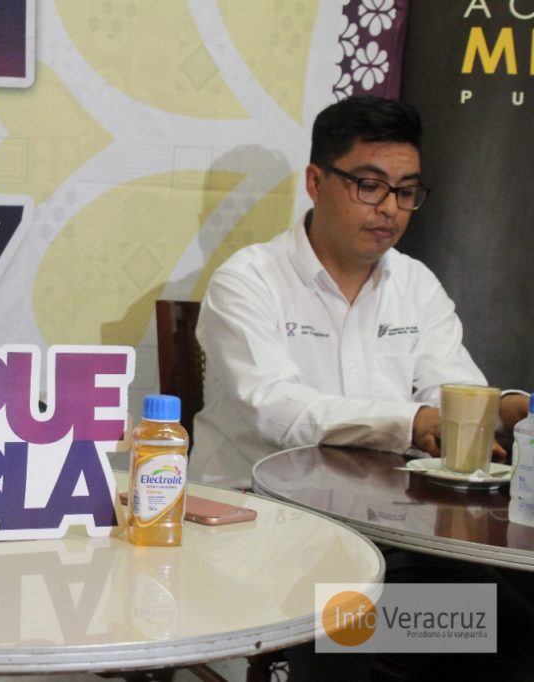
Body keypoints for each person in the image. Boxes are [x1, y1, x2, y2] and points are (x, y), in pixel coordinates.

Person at [192, 95, 527, 490]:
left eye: (406, 191)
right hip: (257, 504)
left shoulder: (416, 283)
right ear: (316, 182)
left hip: (383, 508)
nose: (390, 208)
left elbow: (449, 393)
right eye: (370, 186)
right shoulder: (248, 280)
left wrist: (505, 410)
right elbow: (275, 410)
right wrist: (410, 423)